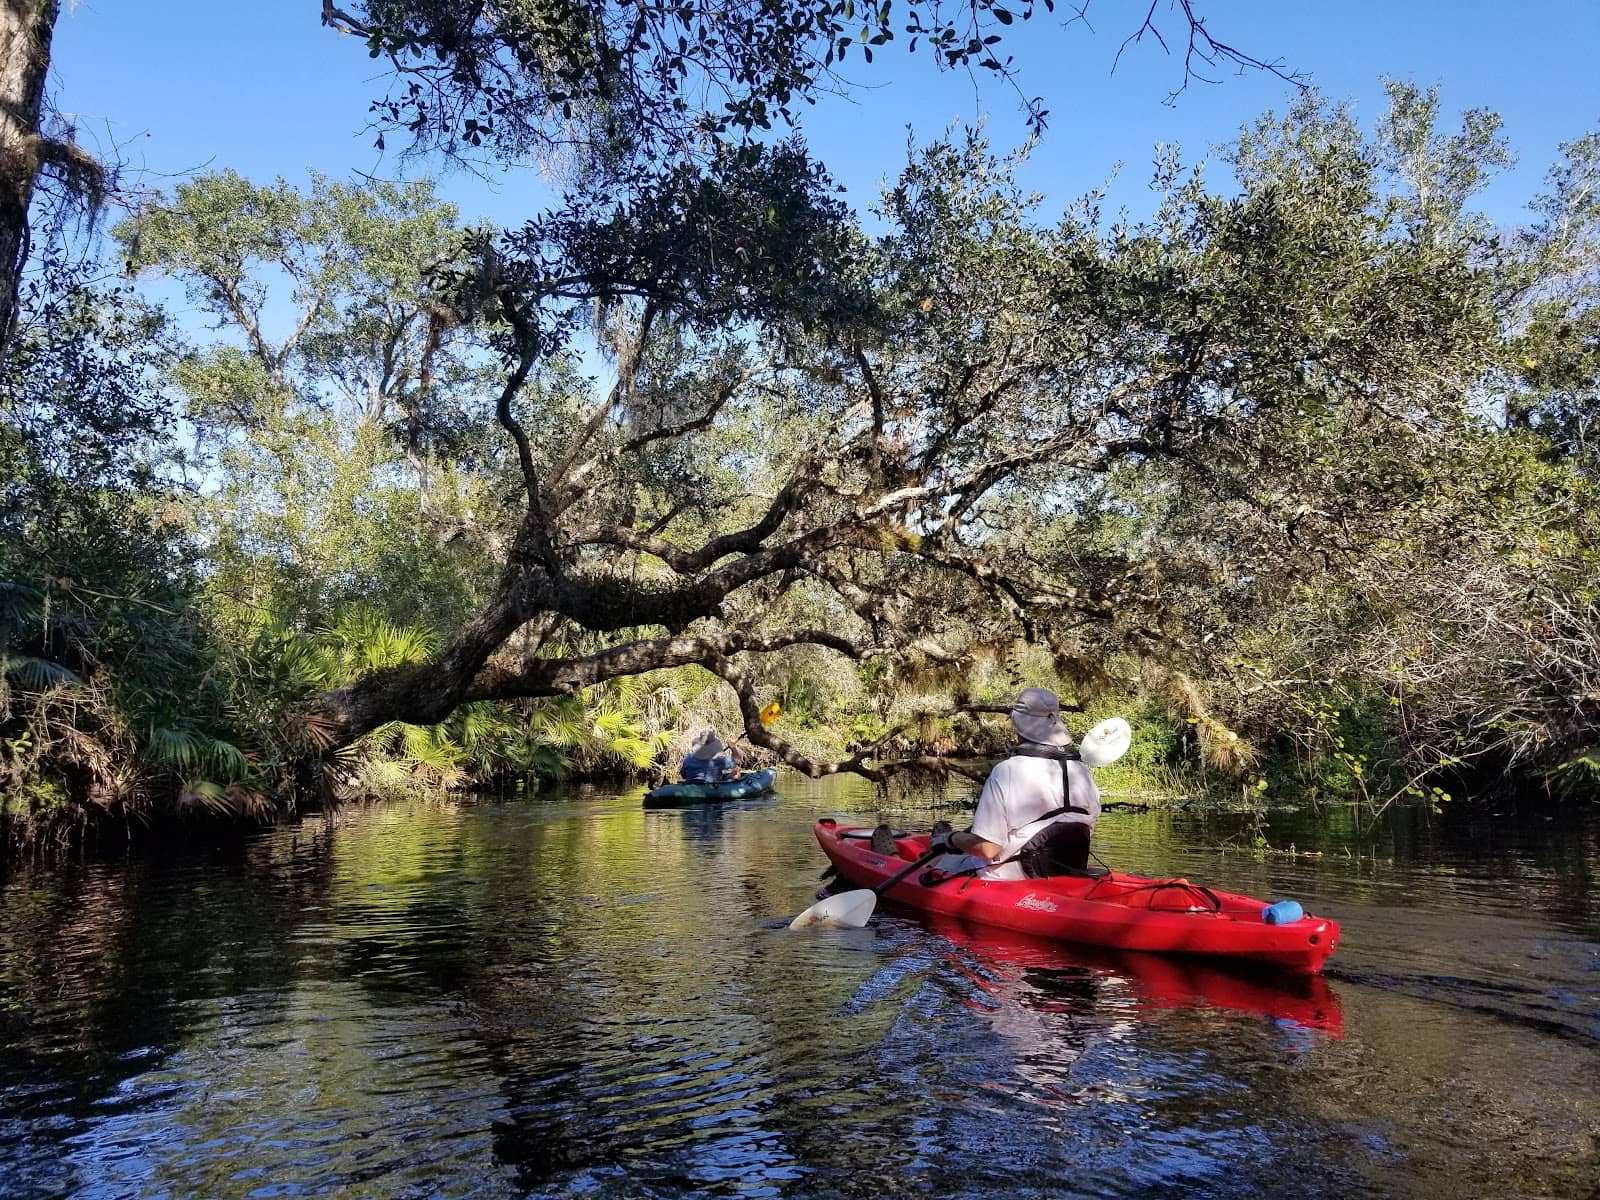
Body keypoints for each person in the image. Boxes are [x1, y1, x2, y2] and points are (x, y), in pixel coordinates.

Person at [931, 687, 1102, 880]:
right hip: (1063, 872)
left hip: (1008, 878)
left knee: (937, 862)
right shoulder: (1082, 770)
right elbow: (1085, 825)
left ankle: (928, 851)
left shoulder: (1006, 772)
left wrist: (952, 839)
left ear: (1018, 724)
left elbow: (988, 848)